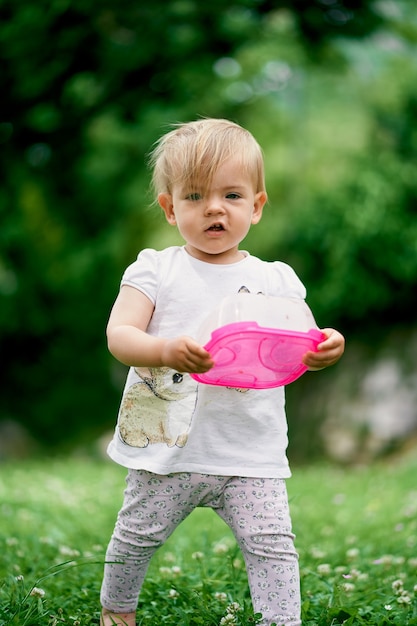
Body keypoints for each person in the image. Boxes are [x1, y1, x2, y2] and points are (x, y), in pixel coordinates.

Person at [100, 118, 345, 626]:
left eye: (231, 194)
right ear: (171, 209)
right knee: (136, 534)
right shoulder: (156, 269)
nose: (214, 207)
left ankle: (281, 620)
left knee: (272, 543)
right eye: (195, 196)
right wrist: (165, 349)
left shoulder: (276, 279)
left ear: (256, 206)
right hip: (169, 445)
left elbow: (302, 338)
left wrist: (324, 348)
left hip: (248, 448)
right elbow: (120, 335)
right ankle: (117, 611)